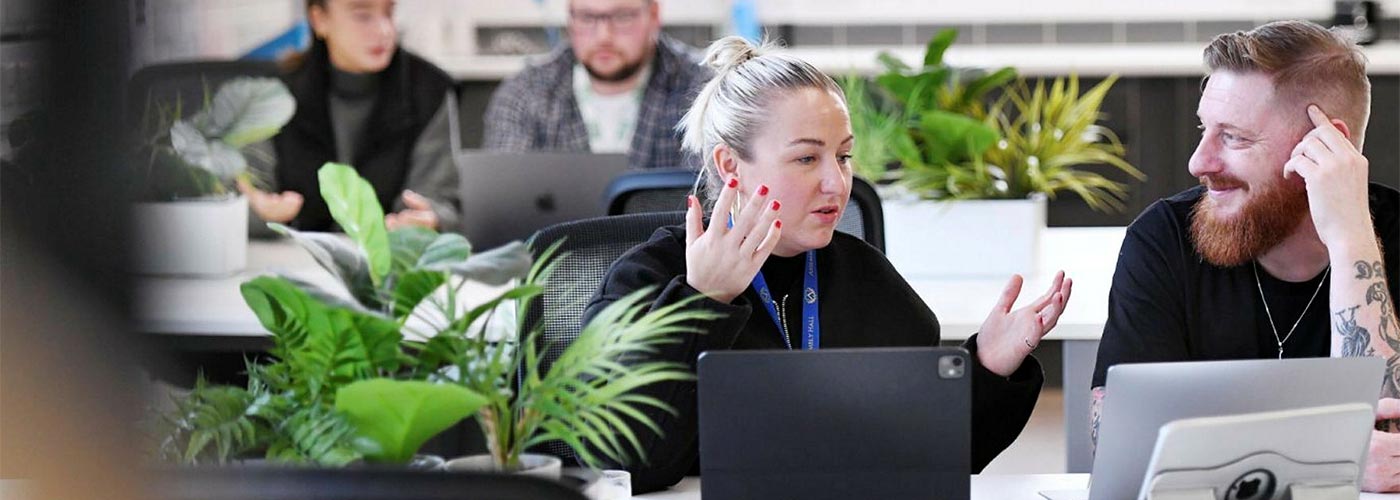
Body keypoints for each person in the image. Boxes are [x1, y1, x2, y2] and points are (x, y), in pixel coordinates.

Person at [582, 36, 1074, 493]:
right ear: (730, 166)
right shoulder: (646, 279)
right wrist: (702, 305)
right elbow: (627, 463)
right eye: (805, 160)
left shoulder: (866, 278)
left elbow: (930, 453)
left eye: (843, 157)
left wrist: (988, 366)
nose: (837, 185)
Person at [1089, 20, 1400, 492]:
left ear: (1324, 144)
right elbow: (1117, 441)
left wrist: (1351, 238)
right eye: (1203, 128)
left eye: (1233, 137)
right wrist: (1325, 450)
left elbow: (1387, 444)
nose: (1199, 161)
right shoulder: (1164, 239)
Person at [240, 0, 462, 233]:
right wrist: (259, 212)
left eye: (389, 13)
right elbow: (244, 194)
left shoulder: (429, 89)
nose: (384, 30)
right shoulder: (273, 95)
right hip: (295, 258)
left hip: (392, 261)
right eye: (363, 16)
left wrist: (430, 219)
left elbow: (443, 202)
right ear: (319, 20)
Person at [482, 0, 711, 170]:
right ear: (569, 18)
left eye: (622, 17)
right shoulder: (524, 94)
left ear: (653, 15)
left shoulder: (704, 88)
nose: (604, 36)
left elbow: (711, 195)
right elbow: (505, 205)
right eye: (587, 17)